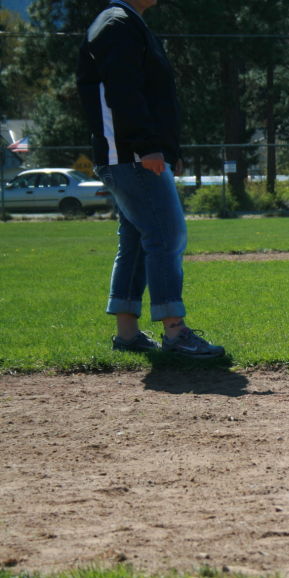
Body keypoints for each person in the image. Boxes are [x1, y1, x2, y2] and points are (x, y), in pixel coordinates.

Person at [77, 0, 225, 358]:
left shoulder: (126, 23)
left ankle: (127, 334)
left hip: (129, 155)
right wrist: (146, 147)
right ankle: (175, 332)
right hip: (131, 155)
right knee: (166, 235)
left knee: (135, 242)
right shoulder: (117, 24)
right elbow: (123, 92)